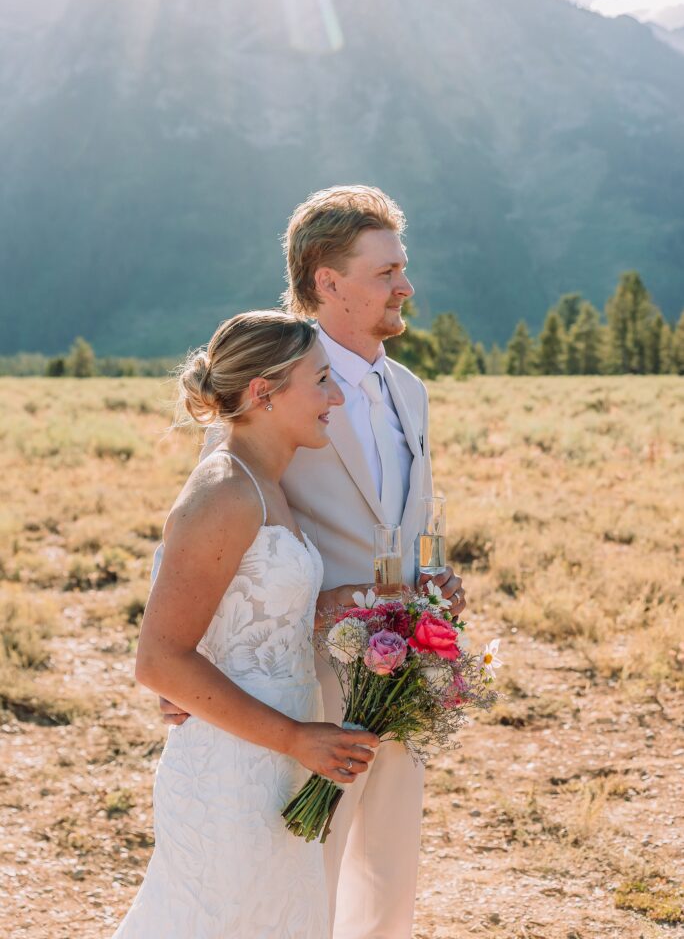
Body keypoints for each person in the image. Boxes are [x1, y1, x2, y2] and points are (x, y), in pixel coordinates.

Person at [162, 186, 467, 938]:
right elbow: (208, 523)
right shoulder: (272, 384)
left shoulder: (410, 391)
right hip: (301, 687)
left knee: (389, 872)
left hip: (405, 676)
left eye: (402, 268)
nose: (406, 286)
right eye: (386, 272)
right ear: (328, 282)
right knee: (306, 874)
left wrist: (433, 588)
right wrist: (182, 672)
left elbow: (402, 522)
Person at [112, 310, 379, 939]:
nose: (336, 398)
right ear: (264, 392)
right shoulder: (226, 490)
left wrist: (387, 603)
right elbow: (159, 660)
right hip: (230, 771)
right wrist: (295, 738)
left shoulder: (266, 483)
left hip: (279, 763)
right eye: (321, 381)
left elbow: (263, 614)